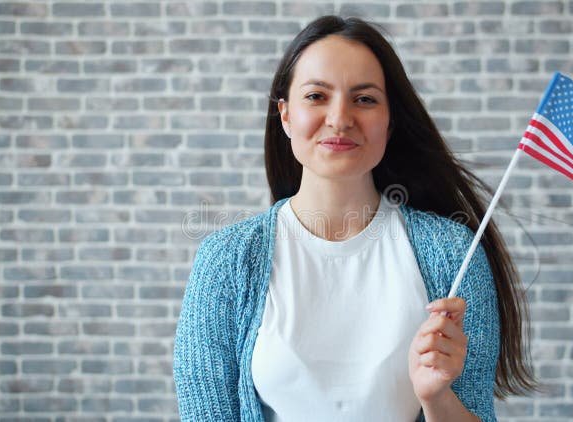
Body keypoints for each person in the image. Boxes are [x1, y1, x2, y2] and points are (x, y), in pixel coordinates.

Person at [174, 15, 535, 422]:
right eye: (316, 96)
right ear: (286, 115)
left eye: (364, 99)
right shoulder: (226, 261)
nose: (340, 118)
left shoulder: (453, 255)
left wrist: (438, 398)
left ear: (390, 121)